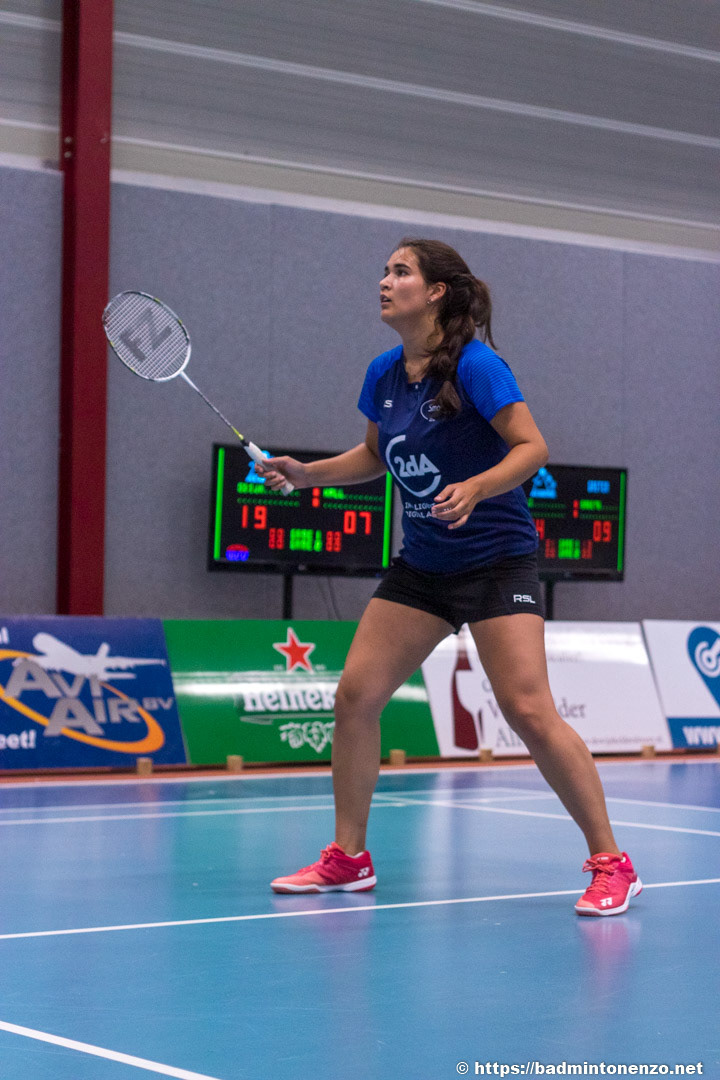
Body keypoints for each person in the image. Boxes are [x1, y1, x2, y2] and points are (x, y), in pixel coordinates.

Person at [258, 237, 641, 917]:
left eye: (400, 271)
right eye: (384, 270)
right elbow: (376, 455)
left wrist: (477, 487)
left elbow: (532, 447)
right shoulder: (384, 373)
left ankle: (613, 862)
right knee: (355, 698)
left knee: (528, 710)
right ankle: (349, 857)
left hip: (496, 562)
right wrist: (307, 474)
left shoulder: (477, 365)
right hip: (424, 567)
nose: (384, 281)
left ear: (435, 291)